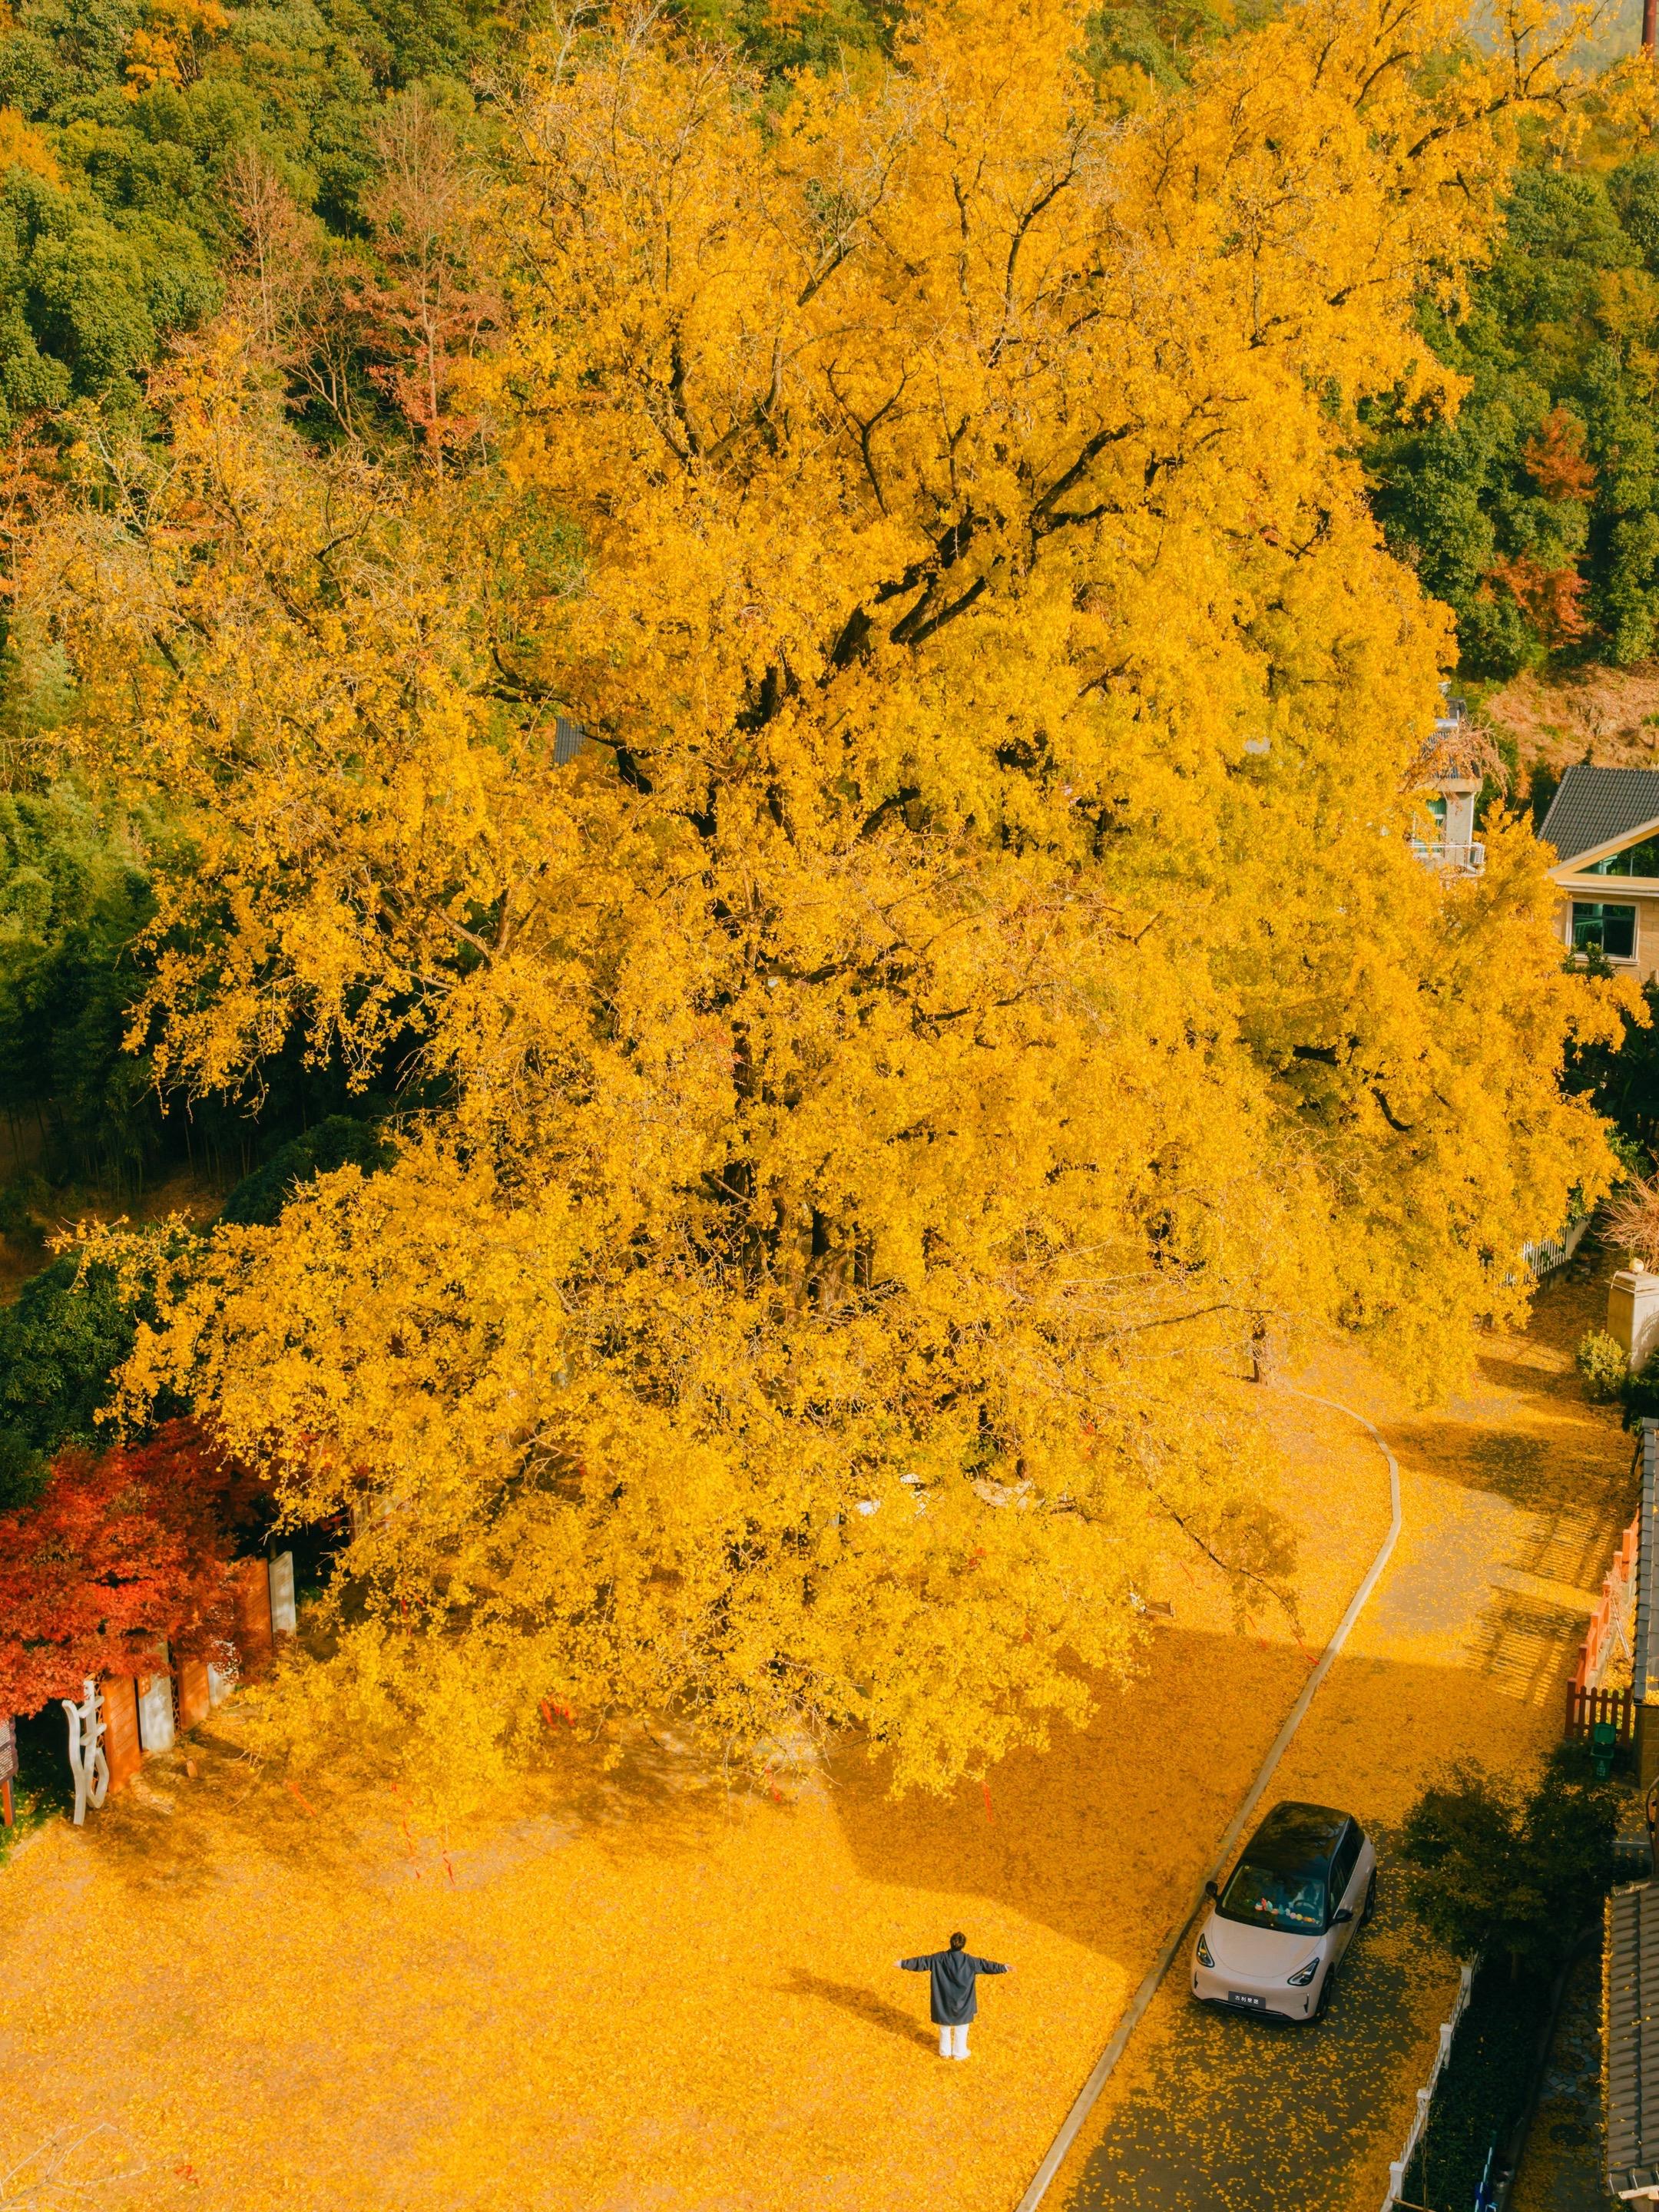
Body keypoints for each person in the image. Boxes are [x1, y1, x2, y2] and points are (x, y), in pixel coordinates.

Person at [897, 1931, 1011, 2058]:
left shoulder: (938, 1959)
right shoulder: (970, 1961)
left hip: (943, 2000)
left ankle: (945, 2052)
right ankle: (959, 2053)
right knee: (961, 2028)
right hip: (964, 2002)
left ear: (951, 1943)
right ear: (963, 1945)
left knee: (944, 2028)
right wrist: (1004, 1967)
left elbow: (922, 1962)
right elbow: (986, 1965)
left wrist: (902, 1963)